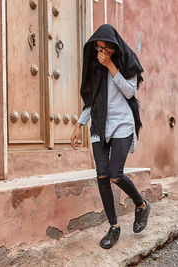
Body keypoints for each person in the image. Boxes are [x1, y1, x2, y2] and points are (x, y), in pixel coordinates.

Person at [70, 24, 150, 249]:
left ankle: (141, 205)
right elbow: (92, 100)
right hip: (99, 124)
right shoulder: (95, 66)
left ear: (114, 48)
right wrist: (79, 124)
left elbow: (130, 92)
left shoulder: (127, 62)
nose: (101, 51)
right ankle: (114, 226)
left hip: (122, 124)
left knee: (116, 174)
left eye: (105, 47)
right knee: (102, 176)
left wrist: (112, 67)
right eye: (98, 47)